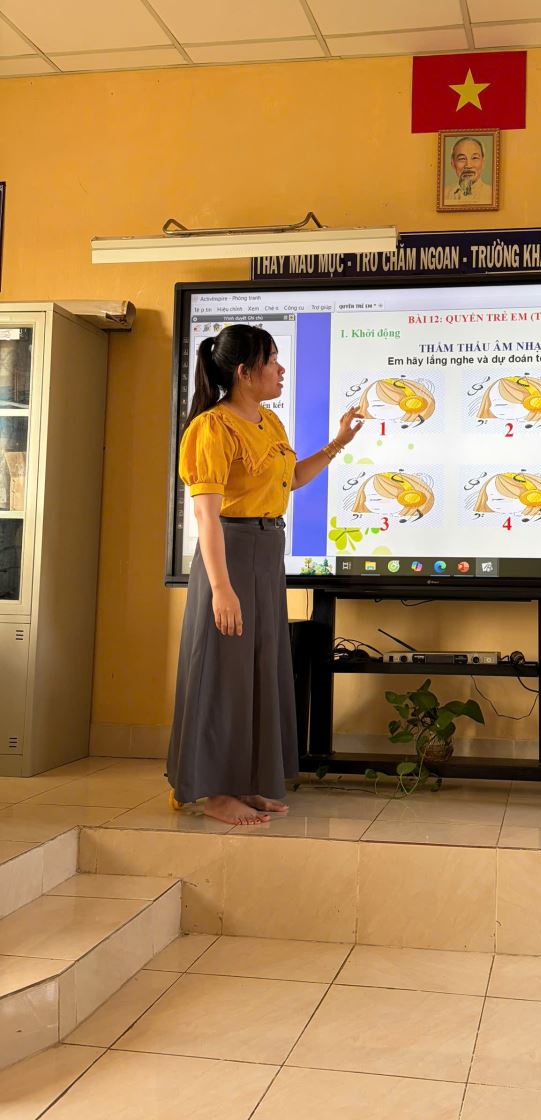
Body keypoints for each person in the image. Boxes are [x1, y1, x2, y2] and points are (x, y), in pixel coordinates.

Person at [167, 324, 361, 825]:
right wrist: (221, 588)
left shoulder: (269, 422)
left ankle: (248, 783)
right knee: (224, 672)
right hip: (229, 554)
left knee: (258, 668)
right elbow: (206, 516)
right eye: (272, 360)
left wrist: (338, 442)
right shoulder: (211, 428)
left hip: (267, 552)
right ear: (244, 371)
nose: (281, 369)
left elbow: (290, 479)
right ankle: (216, 794)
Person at [443, 136, 493, 206]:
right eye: (462, 158)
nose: (468, 165)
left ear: (483, 162)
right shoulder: (444, 195)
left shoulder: (492, 194)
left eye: (474, 158)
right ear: (453, 163)